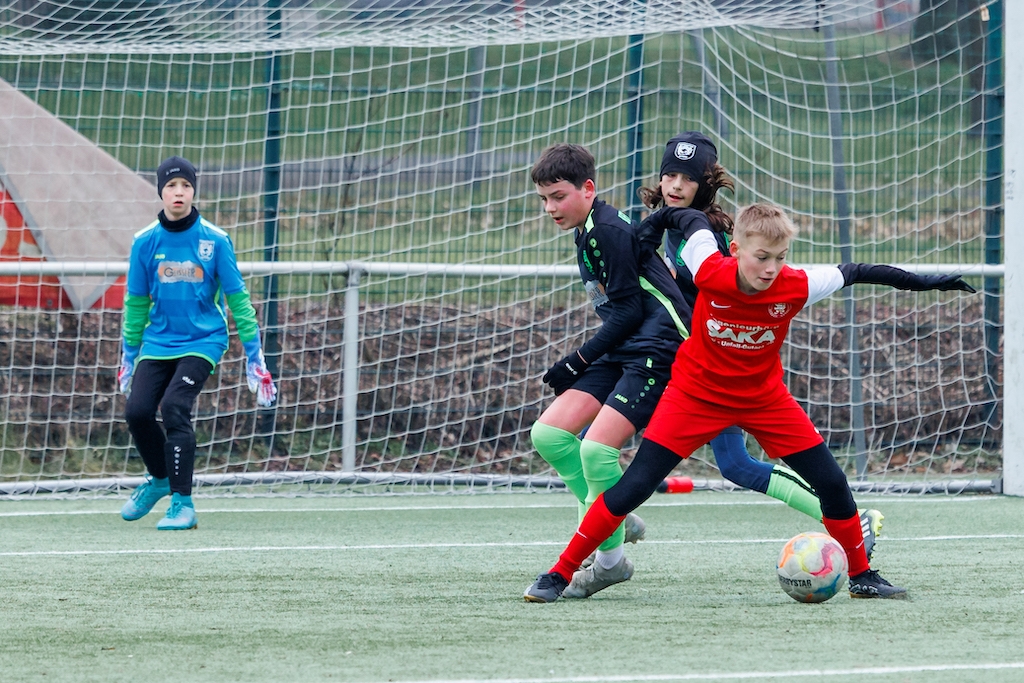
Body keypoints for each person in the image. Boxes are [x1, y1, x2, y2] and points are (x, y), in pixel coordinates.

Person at [524, 202, 975, 602]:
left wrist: (927, 283)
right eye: (762, 257)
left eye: (781, 257)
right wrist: (654, 224)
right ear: (736, 250)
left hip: (763, 400)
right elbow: (689, 218)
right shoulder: (708, 267)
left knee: (833, 483)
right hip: (694, 397)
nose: (771, 268)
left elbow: (856, 271)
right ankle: (559, 573)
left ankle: (862, 576)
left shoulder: (795, 285)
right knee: (631, 488)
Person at [636, 131, 883, 557]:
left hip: (717, 368)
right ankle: (604, 538)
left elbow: (731, 292)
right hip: (687, 361)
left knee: (734, 464)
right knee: (727, 463)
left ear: (704, 185)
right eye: (670, 175)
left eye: (687, 178)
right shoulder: (669, 226)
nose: (676, 185)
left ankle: (848, 520)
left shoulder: (709, 235)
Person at [529, 142, 691, 598]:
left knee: (596, 452)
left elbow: (629, 313)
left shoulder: (606, 231)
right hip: (626, 344)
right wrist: (583, 359)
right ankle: (614, 516)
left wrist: (577, 360)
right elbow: (621, 316)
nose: (550, 208)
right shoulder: (588, 229)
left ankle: (609, 562)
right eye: (544, 199)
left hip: (658, 347)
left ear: (588, 188)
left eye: (558, 197)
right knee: (549, 435)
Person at [117, 156, 278, 530]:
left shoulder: (215, 240)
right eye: (171, 186)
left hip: (203, 340)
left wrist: (255, 356)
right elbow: (136, 302)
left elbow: (238, 299)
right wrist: (128, 354)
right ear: (161, 191)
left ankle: (182, 503)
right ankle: (160, 479)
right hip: (158, 342)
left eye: (186, 186)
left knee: (174, 405)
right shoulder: (144, 242)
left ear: (194, 191)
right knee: (137, 412)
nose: (179, 192)